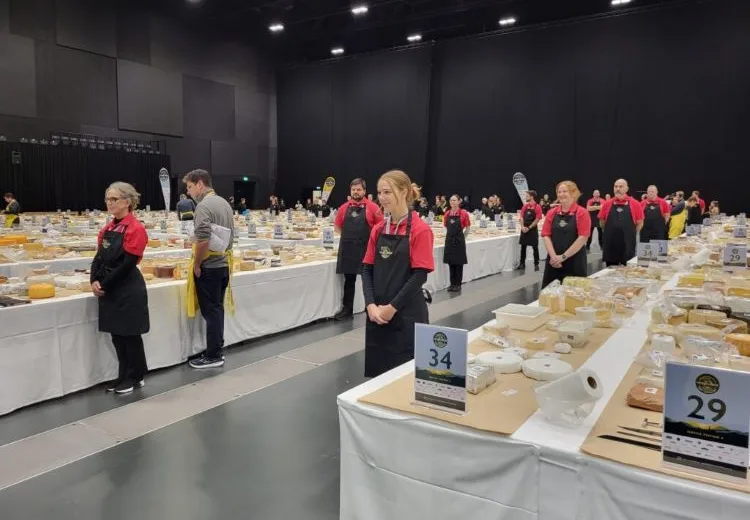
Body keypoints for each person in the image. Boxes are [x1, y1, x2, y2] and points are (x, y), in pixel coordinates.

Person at [362, 170, 434, 378]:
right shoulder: (377, 230)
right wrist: (370, 305)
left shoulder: (420, 230)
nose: (381, 198)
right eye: (379, 192)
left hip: (406, 314)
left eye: (387, 192)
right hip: (378, 316)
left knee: (406, 377)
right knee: (379, 377)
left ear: (403, 192)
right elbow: (367, 269)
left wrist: (392, 308)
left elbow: (419, 275)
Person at [90, 182, 149, 394]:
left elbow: (127, 264)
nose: (110, 203)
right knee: (117, 334)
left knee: (130, 334)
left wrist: (105, 283)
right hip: (110, 286)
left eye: (114, 199)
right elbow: (99, 257)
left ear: (127, 202)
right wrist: (93, 280)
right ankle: (123, 374)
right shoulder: (107, 228)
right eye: (108, 199)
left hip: (127, 286)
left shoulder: (136, 228)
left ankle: (135, 376)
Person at [183, 169, 235, 369]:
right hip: (223, 264)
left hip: (210, 266)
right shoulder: (224, 203)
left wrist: (197, 263)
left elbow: (203, 239)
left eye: (190, 187)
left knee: (211, 311)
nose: (188, 192)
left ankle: (214, 355)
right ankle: (216, 348)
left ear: (200, 184)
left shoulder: (203, 206)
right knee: (217, 309)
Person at [334, 178, 383, 320]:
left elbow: (380, 228)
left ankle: (371, 308)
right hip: (348, 250)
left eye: (359, 189)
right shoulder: (343, 208)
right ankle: (347, 309)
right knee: (349, 281)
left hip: (366, 250)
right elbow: (337, 227)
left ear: (364, 191)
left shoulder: (373, 207)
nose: (356, 192)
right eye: (353, 189)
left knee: (369, 281)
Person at [541, 181, 590, 288]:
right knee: (550, 294)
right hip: (554, 262)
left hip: (574, 261)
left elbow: (583, 237)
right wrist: (554, 257)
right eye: (559, 192)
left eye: (565, 191)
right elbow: (546, 235)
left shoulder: (582, 212)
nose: (561, 194)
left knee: (574, 294)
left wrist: (563, 257)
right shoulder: (552, 212)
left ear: (573, 193)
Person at [599, 179, 644, 267]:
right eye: (615, 187)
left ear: (627, 189)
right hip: (611, 244)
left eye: (621, 186)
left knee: (628, 269)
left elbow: (640, 223)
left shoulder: (635, 204)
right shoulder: (607, 204)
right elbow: (602, 222)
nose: (618, 189)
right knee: (610, 270)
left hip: (628, 243)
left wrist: (631, 233)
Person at [443, 194, 471, 292]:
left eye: (454, 200)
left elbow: (468, 227)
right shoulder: (447, 213)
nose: (452, 202)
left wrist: (463, 237)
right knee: (451, 263)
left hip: (459, 241)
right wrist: (448, 235)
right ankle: (452, 284)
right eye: (451, 200)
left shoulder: (463, 213)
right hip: (449, 241)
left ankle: (458, 284)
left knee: (458, 263)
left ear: (459, 201)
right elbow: (445, 226)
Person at [517, 190, 543, 271]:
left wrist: (529, 227)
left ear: (531, 197)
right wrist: (522, 226)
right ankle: (522, 263)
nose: (525, 197)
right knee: (523, 247)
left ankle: (536, 264)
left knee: (535, 247)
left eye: (527, 196)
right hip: (524, 228)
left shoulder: (537, 207)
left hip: (532, 229)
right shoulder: (525, 206)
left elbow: (537, 219)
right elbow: (521, 217)